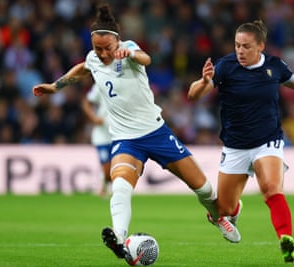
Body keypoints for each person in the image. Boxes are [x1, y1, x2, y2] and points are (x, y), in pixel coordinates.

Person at [32, 2, 240, 262]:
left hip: (156, 133)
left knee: (205, 190)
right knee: (119, 185)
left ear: (116, 42)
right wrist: (55, 86)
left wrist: (128, 55)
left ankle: (217, 216)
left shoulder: (128, 48)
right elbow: (82, 69)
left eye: (107, 48)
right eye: (98, 48)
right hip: (125, 139)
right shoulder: (93, 58)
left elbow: (146, 58)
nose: (103, 53)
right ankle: (119, 238)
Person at [188, 20, 294, 263]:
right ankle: (230, 213)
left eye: (246, 46)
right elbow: (193, 95)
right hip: (235, 146)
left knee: (270, 188)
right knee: (223, 209)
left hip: (267, 141)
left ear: (260, 47)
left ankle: (285, 238)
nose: (240, 51)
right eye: (237, 45)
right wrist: (205, 81)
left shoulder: (274, 66)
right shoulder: (225, 66)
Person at [82, 84, 112, 197]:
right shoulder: (101, 83)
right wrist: (94, 118)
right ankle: (104, 185)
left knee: (118, 167)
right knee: (107, 170)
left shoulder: (127, 83)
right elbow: (86, 103)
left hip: (119, 134)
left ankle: (111, 189)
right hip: (102, 135)